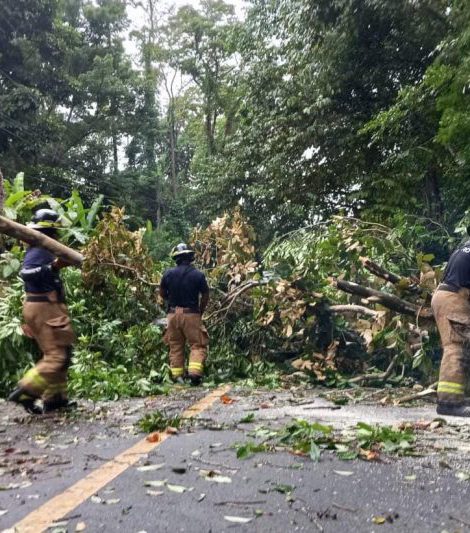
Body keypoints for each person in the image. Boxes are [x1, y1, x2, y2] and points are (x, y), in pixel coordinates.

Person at [8, 209, 76, 414]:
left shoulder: (43, 249)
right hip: (44, 307)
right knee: (57, 357)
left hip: (45, 306)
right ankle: (26, 391)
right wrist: (54, 267)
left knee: (61, 353)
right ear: (51, 231)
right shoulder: (38, 249)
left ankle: (55, 399)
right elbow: (27, 273)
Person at [160, 243, 210, 385]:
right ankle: (194, 374)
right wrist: (200, 310)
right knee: (197, 344)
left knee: (175, 345)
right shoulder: (198, 275)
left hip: (172, 315)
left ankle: (177, 376)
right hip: (191, 314)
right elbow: (205, 295)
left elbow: (162, 293)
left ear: (176, 258)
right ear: (190, 257)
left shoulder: (167, 274)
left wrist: (172, 302)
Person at [432, 233, 470, 417]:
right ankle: (449, 403)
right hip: (453, 298)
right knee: (456, 347)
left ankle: (457, 397)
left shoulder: (465, 247)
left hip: (447, 295)